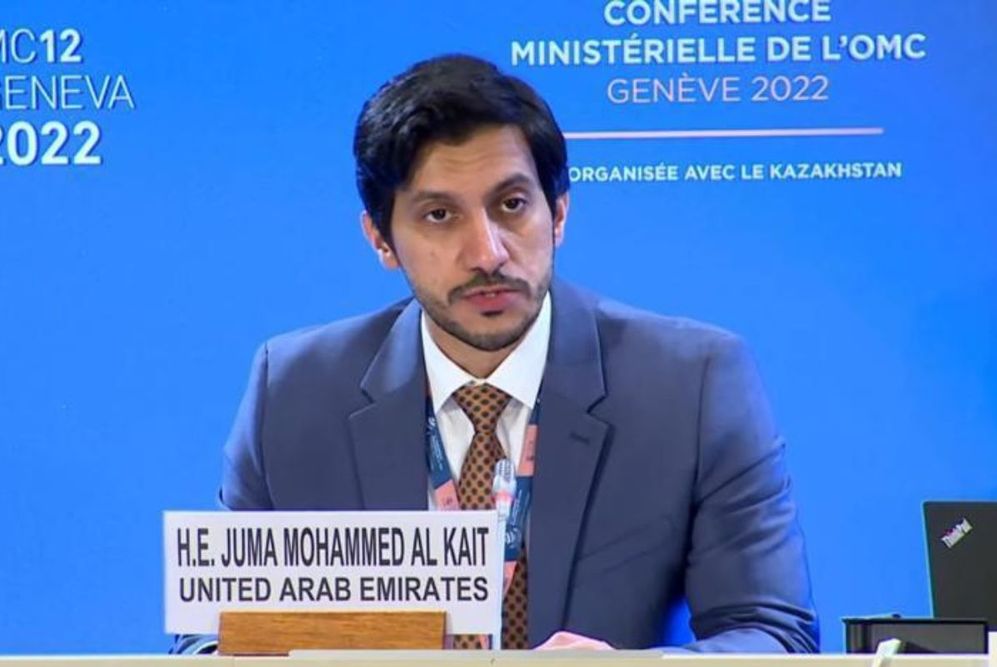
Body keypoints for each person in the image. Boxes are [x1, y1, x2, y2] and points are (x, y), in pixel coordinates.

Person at [181, 54, 819, 653]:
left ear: (558, 213)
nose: (487, 253)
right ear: (380, 239)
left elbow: (772, 633)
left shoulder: (691, 383)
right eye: (439, 215)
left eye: (511, 206)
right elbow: (217, 641)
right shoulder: (293, 391)